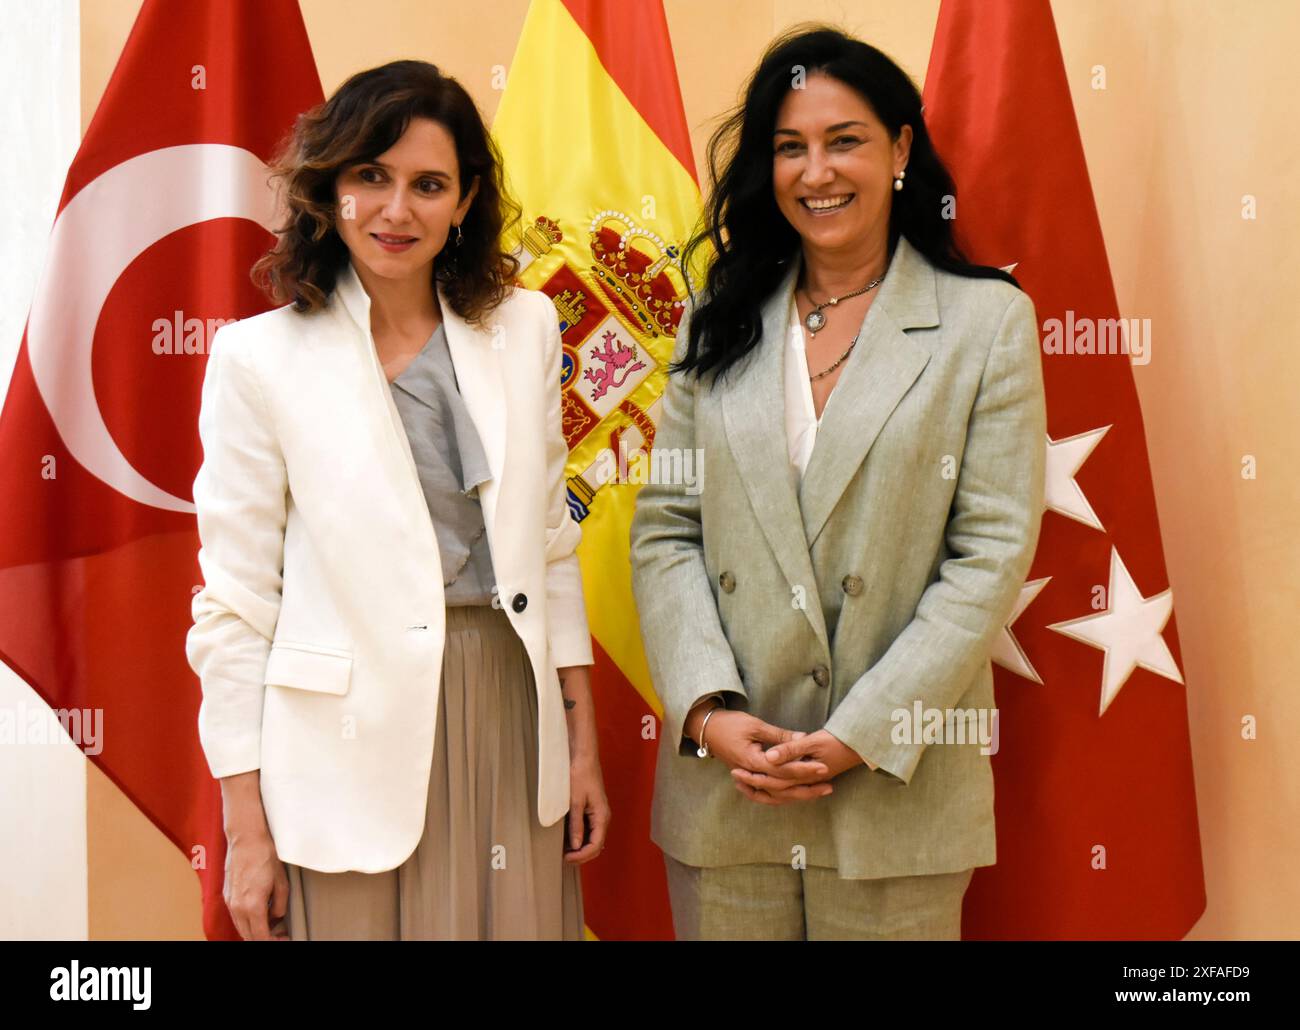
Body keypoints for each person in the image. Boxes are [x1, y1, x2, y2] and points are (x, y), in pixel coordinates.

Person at [630, 26, 1046, 940]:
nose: (816, 171)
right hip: (729, 794)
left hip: (896, 798)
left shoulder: (985, 323)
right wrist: (706, 711)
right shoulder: (718, 317)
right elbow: (666, 527)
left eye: (844, 139)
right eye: (789, 147)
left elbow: (990, 556)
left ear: (900, 149)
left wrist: (862, 731)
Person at [186, 60, 609, 941]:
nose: (396, 209)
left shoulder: (524, 327)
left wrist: (581, 748)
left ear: (464, 204)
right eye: (369, 176)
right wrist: (245, 827)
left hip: (507, 716)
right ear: (329, 187)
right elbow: (234, 604)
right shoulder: (259, 360)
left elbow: (549, 545)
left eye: (429, 185)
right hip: (343, 752)